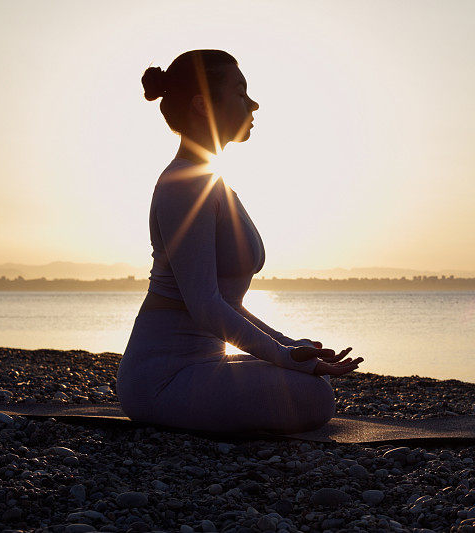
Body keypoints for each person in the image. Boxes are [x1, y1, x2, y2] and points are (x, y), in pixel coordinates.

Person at [116, 49, 363, 434]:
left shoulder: (210, 180)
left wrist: (292, 349)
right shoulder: (186, 184)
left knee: (311, 371)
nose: (254, 103)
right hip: (163, 378)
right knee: (315, 396)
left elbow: (227, 303)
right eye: (240, 91)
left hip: (201, 365)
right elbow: (205, 305)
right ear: (203, 104)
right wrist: (286, 356)